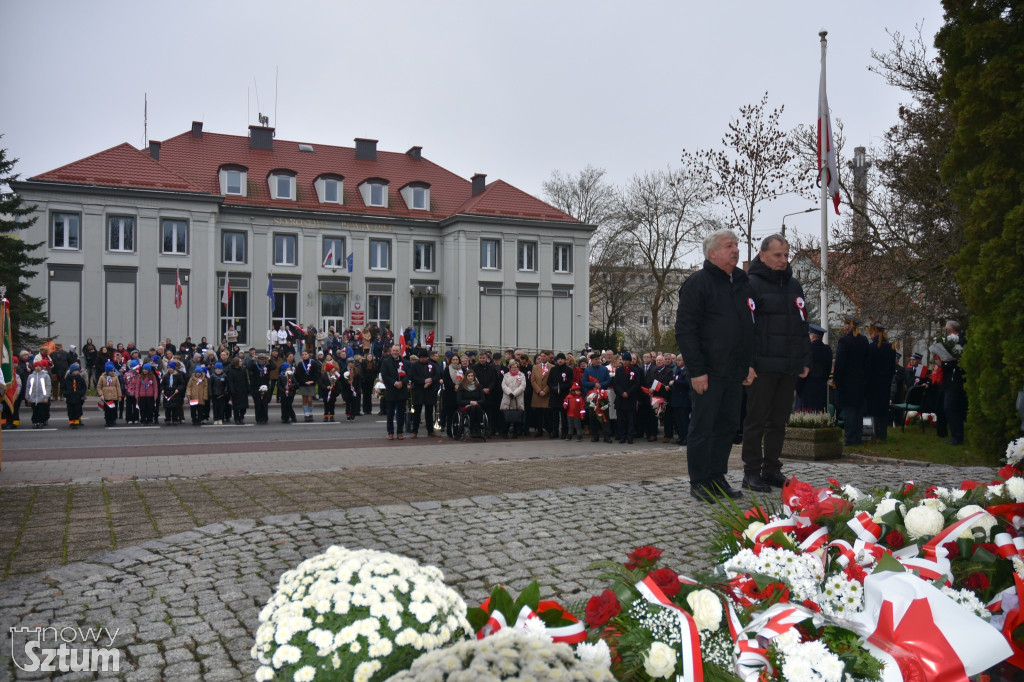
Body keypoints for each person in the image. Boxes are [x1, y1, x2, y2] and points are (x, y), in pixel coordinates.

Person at [674, 228, 754, 502]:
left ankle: (717, 477)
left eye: (737, 245)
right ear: (712, 253)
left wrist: (749, 364)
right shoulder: (698, 283)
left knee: (727, 427)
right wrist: (697, 371)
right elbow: (686, 331)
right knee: (703, 426)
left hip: (734, 372)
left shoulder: (742, 282)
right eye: (729, 246)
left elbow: (749, 327)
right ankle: (700, 481)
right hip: (707, 372)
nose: (736, 250)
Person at [739, 234, 812, 492]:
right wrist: (747, 363)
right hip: (761, 366)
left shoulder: (794, 286)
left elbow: (802, 325)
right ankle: (751, 472)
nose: (783, 260)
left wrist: (804, 358)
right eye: (777, 255)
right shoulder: (750, 284)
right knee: (756, 420)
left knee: (778, 421)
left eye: (785, 254)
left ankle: (771, 469)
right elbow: (745, 328)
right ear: (763, 255)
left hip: (788, 365)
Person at [833, 316, 871, 446]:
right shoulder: (864, 341)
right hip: (860, 381)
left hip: (847, 382)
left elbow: (839, 363)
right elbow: (867, 362)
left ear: (848, 326)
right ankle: (858, 437)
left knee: (849, 411)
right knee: (858, 411)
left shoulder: (844, 341)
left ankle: (849, 438)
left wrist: (836, 380)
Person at [866, 323, 897, 442]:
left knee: (872, 410)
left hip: (873, 383)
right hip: (885, 383)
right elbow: (892, 368)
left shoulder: (871, 347)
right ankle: (883, 434)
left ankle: (873, 433)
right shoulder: (891, 347)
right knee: (883, 410)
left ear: (875, 333)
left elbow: (868, 366)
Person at [796, 324, 832, 412]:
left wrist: (798, 390)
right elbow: (828, 371)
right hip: (821, 392)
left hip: (806, 392)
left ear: (812, 336)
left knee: (803, 421)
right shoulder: (828, 351)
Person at [410, 349, 442, 437]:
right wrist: (423, 381)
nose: (424, 359)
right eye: (422, 358)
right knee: (417, 412)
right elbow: (413, 377)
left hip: (429, 391)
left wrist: (430, 381)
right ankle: (415, 431)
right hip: (419, 390)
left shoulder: (432, 365)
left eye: (425, 357)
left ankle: (430, 430)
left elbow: (437, 376)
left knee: (429, 412)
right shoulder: (415, 365)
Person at [582, 352, 613, 443]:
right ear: (591, 360)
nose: (598, 361)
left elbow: (608, 380)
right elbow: (584, 383)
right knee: (592, 417)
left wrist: (600, 385)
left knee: (604, 416)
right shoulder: (588, 370)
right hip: (592, 396)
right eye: (596, 359)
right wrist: (593, 385)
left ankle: (606, 435)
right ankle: (595, 435)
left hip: (602, 395)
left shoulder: (604, 369)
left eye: (598, 359)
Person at [380, 344, 409, 439]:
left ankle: (400, 432)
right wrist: (395, 382)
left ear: (400, 351)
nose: (395, 352)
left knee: (401, 413)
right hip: (391, 390)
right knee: (390, 413)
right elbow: (384, 375)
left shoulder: (405, 362)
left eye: (397, 350)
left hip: (402, 390)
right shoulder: (386, 362)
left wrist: (402, 382)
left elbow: (408, 375)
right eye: (394, 350)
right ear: (391, 351)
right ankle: (390, 432)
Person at [612, 351, 642, 443]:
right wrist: (622, 393)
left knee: (630, 419)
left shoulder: (635, 371)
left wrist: (628, 392)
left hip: (630, 398)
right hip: (621, 398)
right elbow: (615, 384)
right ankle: (622, 435)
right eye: (623, 360)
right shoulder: (618, 370)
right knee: (621, 419)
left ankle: (630, 436)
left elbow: (637, 384)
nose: (625, 362)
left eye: (627, 360)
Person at [548, 353, 574, 439]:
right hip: (554, 395)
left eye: (562, 359)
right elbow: (549, 381)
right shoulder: (553, 370)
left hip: (564, 395)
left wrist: (561, 388)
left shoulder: (569, 370)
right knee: (554, 416)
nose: (560, 360)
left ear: (564, 360)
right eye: (558, 359)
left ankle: (564, 432)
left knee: (564, 416)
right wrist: (553, 388)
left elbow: (570, 382)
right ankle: (555, 431)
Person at [499, 359, 527, 438]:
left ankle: (515, 433)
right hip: (507, 398)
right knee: (506, 417)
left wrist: (514, 394)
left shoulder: (522, 375)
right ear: (510, 368)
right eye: (512, 367)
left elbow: (522, 386)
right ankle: (504, 433)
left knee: (516, 417)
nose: (514, 368)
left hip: (517, 399)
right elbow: (503, 385)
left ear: (518, 368)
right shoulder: (506, 375)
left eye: (516, 367)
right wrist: (509, 393)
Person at [668, 355, 691, 446]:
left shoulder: (687, 371)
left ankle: (686, 438)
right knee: (678, 421)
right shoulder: (677, 370)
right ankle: (680, 437)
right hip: (676, 398)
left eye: (679, 360)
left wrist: (675, 382)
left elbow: (687, 383)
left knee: (684, 420)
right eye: (677, 360)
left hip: (684, 400)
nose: (677, 361)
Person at [531, 351, 555, 437]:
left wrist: (545, 390)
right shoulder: (535, 367)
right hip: (537, 394)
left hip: (547, 394)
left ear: (548, 357)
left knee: (548, 414)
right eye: (541, 356)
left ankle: (549, 430)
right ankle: (539, 430)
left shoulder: (552, 367)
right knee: (538, 414)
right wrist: (539, 390)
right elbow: (533, 380)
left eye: (544, 356)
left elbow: (552, 380)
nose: (542, 358)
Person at [293, 350, 321, 422]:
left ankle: (310, 413)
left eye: (305, 354)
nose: (304, 356)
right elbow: (298, 375)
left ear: (308, 355)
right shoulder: (300, 364)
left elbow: (317, 373)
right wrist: (304, 382)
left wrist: (312, 381)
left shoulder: (313, 363)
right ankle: (306, 414)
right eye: (303, 355)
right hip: (303, 384)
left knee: (310, 400)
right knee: (304, 400)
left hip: (311, 384)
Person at [457, 369, 486, 437]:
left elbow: (483, 399)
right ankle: (472, 428)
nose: (470, 377)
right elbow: (459, 400)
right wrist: (470, 402)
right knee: (473, 408)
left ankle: (479, 428)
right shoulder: (462, 386)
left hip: (476, 404)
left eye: (472, 376)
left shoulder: (478, 386)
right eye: (469, 376)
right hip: (465, 405)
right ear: (466, 377)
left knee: (476, 407)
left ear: (474, 377)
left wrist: (476, 402)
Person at [441, 353, 463, 438]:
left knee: (458, 414)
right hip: (450, 394)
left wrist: (459, 386)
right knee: (450, 415)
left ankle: (458, 430)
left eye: (456, 360)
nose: (455, 361)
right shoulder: (447, 369)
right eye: (453, 360)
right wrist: (454, 386)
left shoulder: (461, 370)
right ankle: (449, 432)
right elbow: (446, 381)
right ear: (451, 360)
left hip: (459, 394)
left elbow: (464, 380)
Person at [27, 360, 52, 429]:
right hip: (33, 397)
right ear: (34, 367)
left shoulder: (45, 376)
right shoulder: (31, 376)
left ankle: (41, 422)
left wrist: (46, 397)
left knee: (41, 410)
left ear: (41, 367)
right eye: (36, 366)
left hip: (42, 397)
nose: (38, 368)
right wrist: (28, 397)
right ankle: (35, 422)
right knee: (35, 411)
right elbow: (28, 387)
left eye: (39, 366)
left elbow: (48, 386)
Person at [249, 353, 272, 424]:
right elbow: (249, 367)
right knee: (258, 404)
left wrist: (270, 360)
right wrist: (252, 360)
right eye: (260, 359)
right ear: (258, 360)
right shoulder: (255, 366)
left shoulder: (267, 366)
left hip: (265, 387)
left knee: (264, 404)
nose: (262, 361)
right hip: (256, 387)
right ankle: (258, 418)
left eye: (263, 359)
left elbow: (273, 367)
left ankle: (265, 418)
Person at [226, 357, 249, 424]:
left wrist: (248, 388)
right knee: (236, 407)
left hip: (243, 390)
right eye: (240, 361)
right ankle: (236, 418)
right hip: (235, 391)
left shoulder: (243, 370)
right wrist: (232, 390)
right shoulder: (231, 371)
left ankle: (241, 417)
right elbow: (230, 382)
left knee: (243, 407)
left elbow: (246, 379)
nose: (241, 363)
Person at [62, 363, 87, 428]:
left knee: (77, 410)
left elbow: (84, 386)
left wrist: (81, 393)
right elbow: (63, 387)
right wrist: (65, 393)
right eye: (75, 371)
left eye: (77, 371)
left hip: (78, 397)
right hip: (70, 398)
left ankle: (76, 422)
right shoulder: (67, 379)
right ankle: (71, 422)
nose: (76, 372)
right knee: (70, 411)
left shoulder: (80, 379)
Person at [98, 361, 122, 427]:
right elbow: (99, 387)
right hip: (106, 396)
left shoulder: (115, 377)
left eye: (113, 371)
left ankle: (112, 420)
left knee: (113, 410)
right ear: (107, 371)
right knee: (107, 410)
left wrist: (119, 396)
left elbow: (118, 386)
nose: (112, 372)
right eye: (111, 371)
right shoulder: (102, 377)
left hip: (114, 396)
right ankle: (107, 421)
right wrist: (101, 394)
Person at [160, 361, 184, 425]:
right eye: (168, 368)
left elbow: (182, 384)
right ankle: (167, 419)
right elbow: (162, 384)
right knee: (167, 409)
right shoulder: (166, 376)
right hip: (167, 394)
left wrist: (178, 389)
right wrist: (162, 389)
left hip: (175, 394)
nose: (169, 369)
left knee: (175, 408)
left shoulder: (178, 375)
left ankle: (175, 419)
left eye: (171, 368)